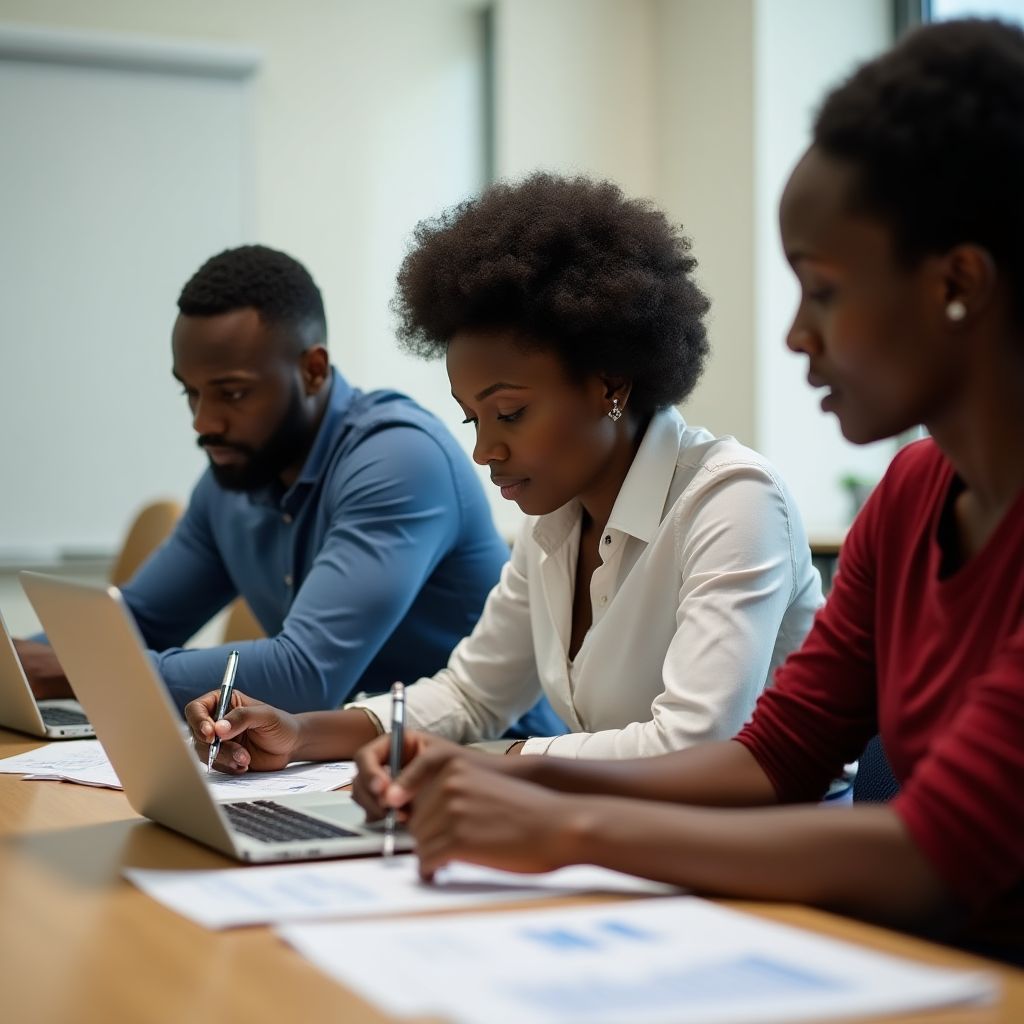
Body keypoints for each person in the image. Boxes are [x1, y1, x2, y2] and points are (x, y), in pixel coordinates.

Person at [348, 19, 1024, 964]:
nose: (795, 335)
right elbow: (770, 759)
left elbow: (929, 857)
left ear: (959, 282)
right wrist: (514, 784)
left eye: (824, 290)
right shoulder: (910, 495)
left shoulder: (738, 497)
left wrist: (557, 817)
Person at [185, 174, 821, 768]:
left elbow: (693, 742)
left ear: (610, 383)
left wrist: (488, 765)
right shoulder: (555, 522)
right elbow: (470, 696)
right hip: (620, 825)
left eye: (510, 413)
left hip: (769, 836)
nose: (484, 449)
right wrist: (299, 734)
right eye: (473, 419)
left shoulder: (732, 502)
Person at [16, 244, 562, 736]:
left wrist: (78, 670)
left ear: (313, 370)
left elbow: (303, 676)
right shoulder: (235, 478)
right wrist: (20, 665)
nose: (203, 422)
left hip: (493, 760)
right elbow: (141, 621)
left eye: (232, 394)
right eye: (191, 393)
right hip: (333, 762)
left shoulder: (399, 459)